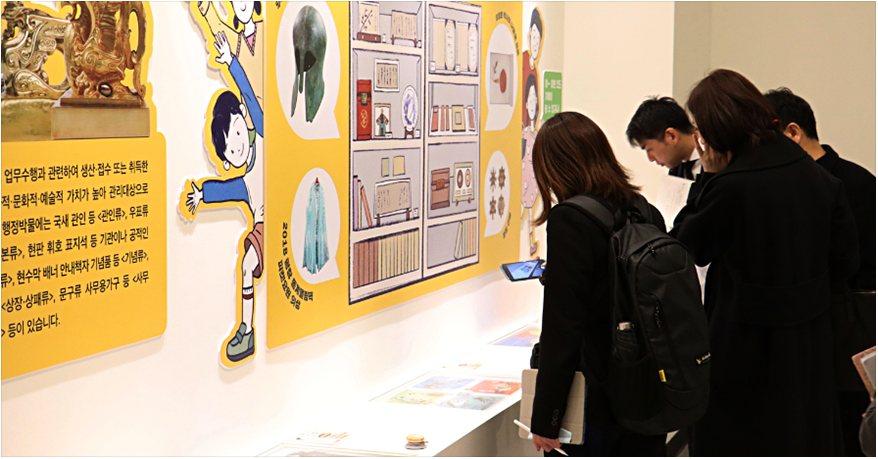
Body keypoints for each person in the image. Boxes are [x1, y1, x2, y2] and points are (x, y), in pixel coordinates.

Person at [671, 69, 860, 456]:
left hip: (743, 343)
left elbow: (687, 247)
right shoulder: (818, 176)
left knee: (740, 439)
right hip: (810, 341)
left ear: (717, 129)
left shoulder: (730, 185)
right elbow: (845, 261)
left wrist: (706, 177)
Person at [529, 111, 667, 456]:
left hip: (598, 400)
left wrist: (546, 418)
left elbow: (563, 328)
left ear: (554, 167)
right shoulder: (645, 210)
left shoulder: (570, 219)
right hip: (649, 390)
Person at [765, 86, 877, 456]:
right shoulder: (779, 186)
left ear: (793, 132)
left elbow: (860, 265)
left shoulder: (857, 183)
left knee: (847, 433)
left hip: (848, 334)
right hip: (804, 333)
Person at [184, 38, 264, 363]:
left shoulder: (263, 134)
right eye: (231, 149)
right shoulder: (244, 183)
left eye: (237, 133)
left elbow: (248, 95)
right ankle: (246, 329)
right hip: (266, 230)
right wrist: (201, 194)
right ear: (227, 159)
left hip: (290, 213)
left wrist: (231, 61)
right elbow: (224, 189)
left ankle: (247, 328)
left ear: (244, 118)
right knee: (246, 266)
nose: (238, 145)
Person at [626, 96, 702, 180]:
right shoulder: (677, 170)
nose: (651, 159)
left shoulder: (713, 161)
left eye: (649, 149)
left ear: (671, 136)